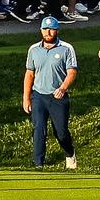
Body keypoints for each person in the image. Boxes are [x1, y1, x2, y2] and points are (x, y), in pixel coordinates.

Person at [25, 13, 80, 170]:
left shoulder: (66, 48)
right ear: (41, 30)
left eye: (51, 29)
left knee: (61, 132)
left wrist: (63, 88)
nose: (48, 33)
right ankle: (38, 164)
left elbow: (72, 72)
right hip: (39, 95)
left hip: (58, 96)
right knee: (39, 129)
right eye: (45, 29)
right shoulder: (34, 49)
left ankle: (70, 153)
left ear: (57, 31)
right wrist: (26, 97)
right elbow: (29, 74)